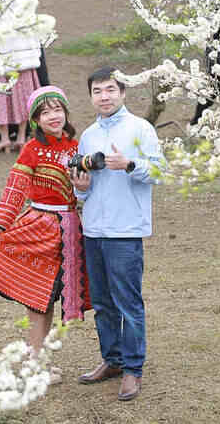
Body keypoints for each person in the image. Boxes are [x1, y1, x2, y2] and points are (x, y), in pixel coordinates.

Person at [0, 87, 92, 377]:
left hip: (72, 231)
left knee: (50, 298)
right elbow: (15, 189)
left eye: (57, 110)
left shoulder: (77, 146)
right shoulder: (31, 149)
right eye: (45, 112)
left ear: (66, 112)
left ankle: (38, 359)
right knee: (38, 298)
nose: (53, 116)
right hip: (40, 228)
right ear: (35, 119)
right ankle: (34, 361)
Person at [70, 66, 164, 402]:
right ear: (91, 96)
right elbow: (83, 188)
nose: (104, 96)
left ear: (123, 92)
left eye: (110, 89)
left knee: (128, 303)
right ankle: (111, 360)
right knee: (103, 303)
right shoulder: (88, 135)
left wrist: (129, 164)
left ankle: (133, 369)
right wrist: (80, 188)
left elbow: (160, 171)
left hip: (125, 230)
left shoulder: (141, 128)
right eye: (97, 91)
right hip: (94, 228)